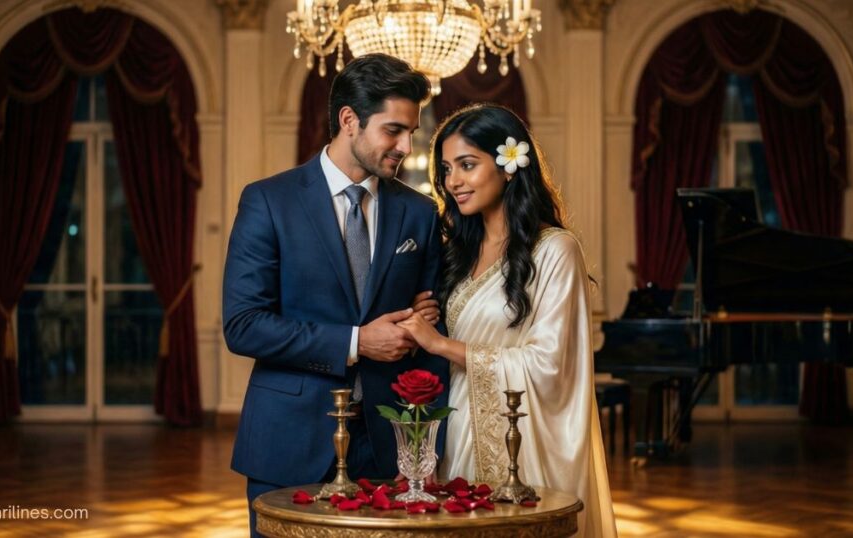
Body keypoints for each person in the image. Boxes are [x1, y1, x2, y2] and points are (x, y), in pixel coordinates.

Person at [222, 53, 449, 537]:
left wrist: (425, 447)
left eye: (411, 132)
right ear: (349, 120)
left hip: (389, 445)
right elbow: (243, 325)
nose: (406, 147)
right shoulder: (268, 201)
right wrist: (356, 342)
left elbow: (433, 334)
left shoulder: (420, 213)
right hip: (288, 441)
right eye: (394, 130)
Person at [398, 104, 618, 537]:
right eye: (446, 169)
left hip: (522, 439)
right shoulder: (456, 254)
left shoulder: (555, 251)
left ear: (509, 165)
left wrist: (440, 344)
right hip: (455, 435)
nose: (452, 182)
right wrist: (426, 320)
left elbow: (550, 366)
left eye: (467, 165)